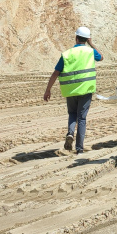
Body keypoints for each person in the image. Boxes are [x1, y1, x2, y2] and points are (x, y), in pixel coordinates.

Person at [43, 26, 103, 154]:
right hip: (86, 90)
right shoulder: (90, 52)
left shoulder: (66, 54)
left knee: (72, 114)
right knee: (82, 118)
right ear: (86, 39)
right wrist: (91, 43)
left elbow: (55, 73)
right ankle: (79, 148)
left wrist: (48, 90)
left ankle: (70, 133)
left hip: (70, 91)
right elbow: (101, 57)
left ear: (76, 38)